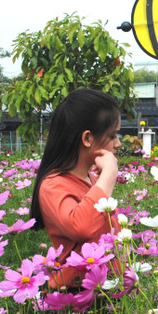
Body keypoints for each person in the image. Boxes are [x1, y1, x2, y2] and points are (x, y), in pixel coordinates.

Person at [31, 88, 122, 288]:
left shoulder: (91, 179)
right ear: (87, 138)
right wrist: (109, 173)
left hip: (105, 291)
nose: (118, 143)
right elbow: (82, 227)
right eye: (113, 135)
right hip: (75, 297)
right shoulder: (53, 184)